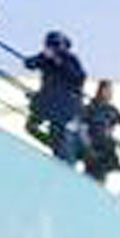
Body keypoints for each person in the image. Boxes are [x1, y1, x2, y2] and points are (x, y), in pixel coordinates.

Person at [23, 31, 86, 162]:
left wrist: (59, 61)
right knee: (31, 126)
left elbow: (79, 77)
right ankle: (55, 146)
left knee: (60, 134)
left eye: (56, 45)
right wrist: (44, 57)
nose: (54, 48)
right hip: (47, 103)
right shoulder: (46, 57)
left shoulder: (70, 59)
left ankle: (61, 151)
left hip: (63, 107)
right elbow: (29, 63)